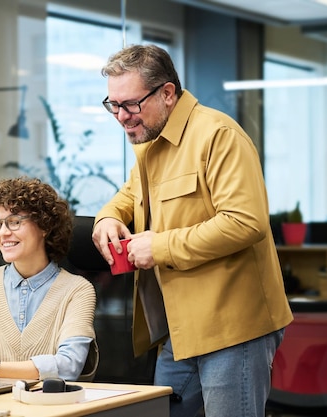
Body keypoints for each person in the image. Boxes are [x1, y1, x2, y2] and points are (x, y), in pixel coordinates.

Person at [91, 44, 293, 417]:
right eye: (113, 105)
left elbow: (245, 222)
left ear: (167, 93)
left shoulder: (218, 135)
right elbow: (131, 193)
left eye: (130, 104)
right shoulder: (151, 141)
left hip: (233, 328)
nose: (121, 116)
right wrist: (106, 217)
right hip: (179, 329)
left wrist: (161, 246)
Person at [0, 177, 97, 382]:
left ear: (44, 226)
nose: (3, 233)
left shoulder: (77, 290)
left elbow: (68, 367)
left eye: (14, 222)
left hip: (51, 408)